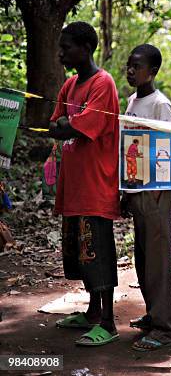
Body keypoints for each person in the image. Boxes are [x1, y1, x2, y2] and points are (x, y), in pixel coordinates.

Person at [49, 21, 120, 346]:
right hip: (75, 184)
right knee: (81, 252)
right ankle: (92, 312)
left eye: (67, 47)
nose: (62, 53)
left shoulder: (102, 83)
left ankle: (108, 322)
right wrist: (66, 124)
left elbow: (78, 126)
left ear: (86, 48)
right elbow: (56, 124)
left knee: (98, 252)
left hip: (96, 185)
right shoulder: (70, 85)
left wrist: (68, 124)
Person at [120, 44, 171, 351]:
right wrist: (125, 190)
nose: (131, 71)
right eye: (129, 65)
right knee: (142, 257)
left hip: (156, 192)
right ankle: (152, 313)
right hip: (135, 188)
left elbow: (165, 151)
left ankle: (166, 327)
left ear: (152, 71)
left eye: (137, 66)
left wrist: (157, 191)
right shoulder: (131, 101)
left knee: (157, 260)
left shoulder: (160, 104)